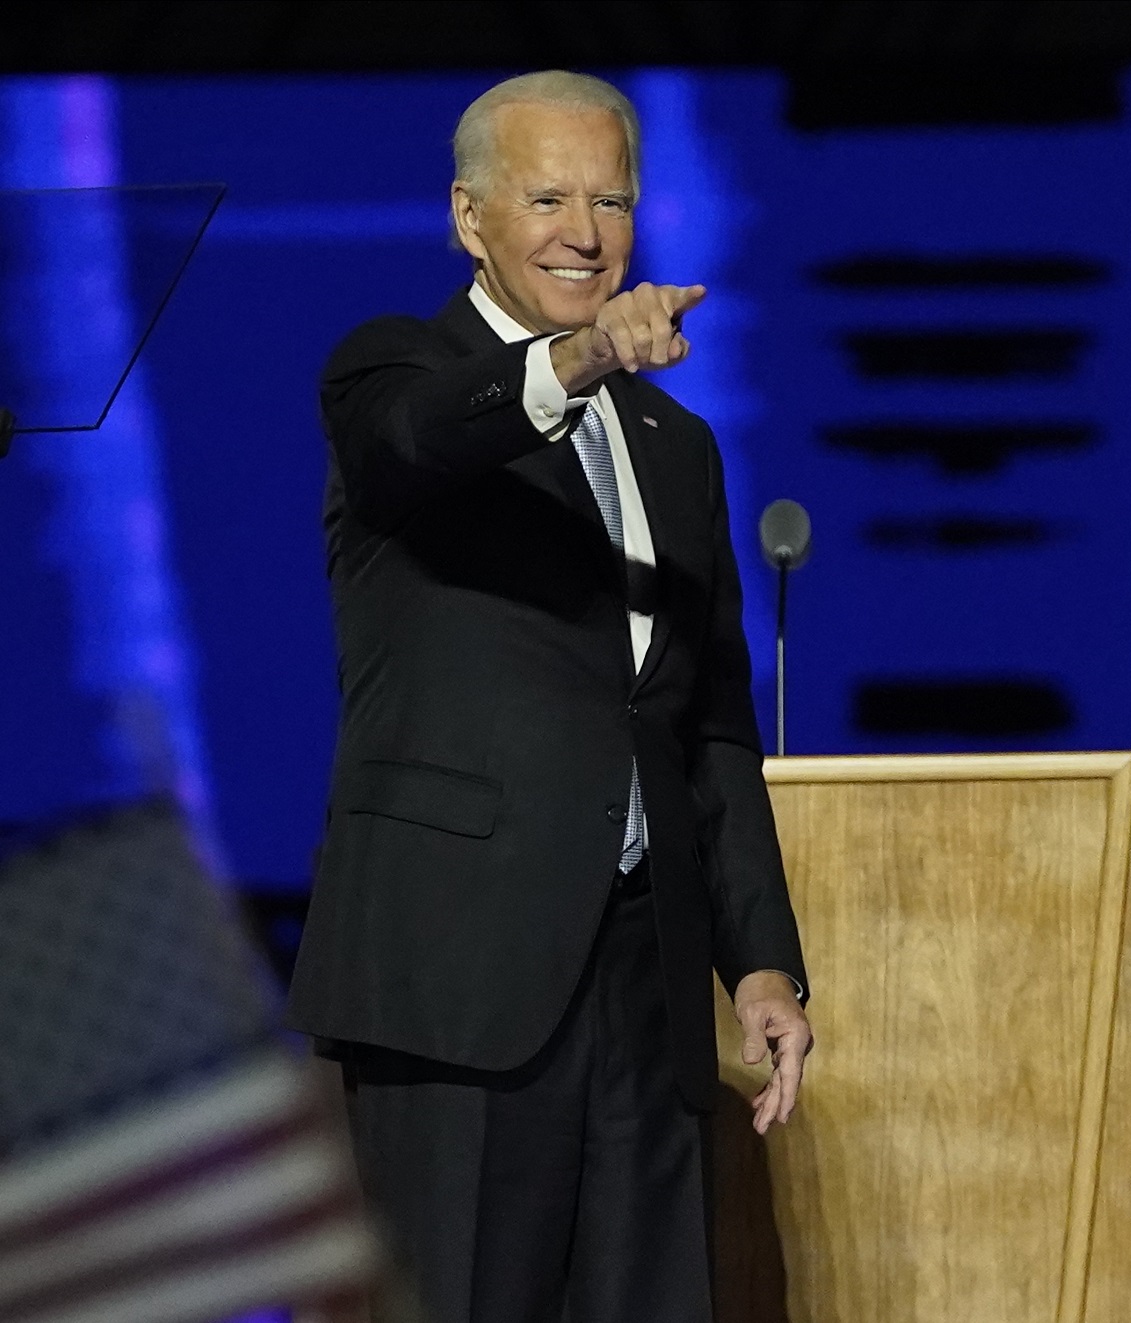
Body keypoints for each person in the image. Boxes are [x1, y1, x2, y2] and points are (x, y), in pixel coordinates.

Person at [285, 70, 811, 1323]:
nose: (586, 232)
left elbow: (708, 724)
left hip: (647, 979)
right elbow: (417, 444)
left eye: (613, 200)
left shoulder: (676, 444)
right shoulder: (389, 373)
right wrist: (573, 357)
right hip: (457, 975)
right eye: (548, 198)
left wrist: (762, 963)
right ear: (471, 219)